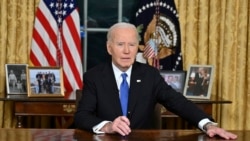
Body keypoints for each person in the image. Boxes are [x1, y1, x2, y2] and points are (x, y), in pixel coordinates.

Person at [74, 22, 237, 140]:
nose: (126, 51)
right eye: (120, 44)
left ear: (138, 47)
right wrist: (107, 126)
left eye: (132, 44)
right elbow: (82, 116)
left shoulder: (150, 75)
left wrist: (208, 124)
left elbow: (178, 102)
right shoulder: (94, 76)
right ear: (109, 48)